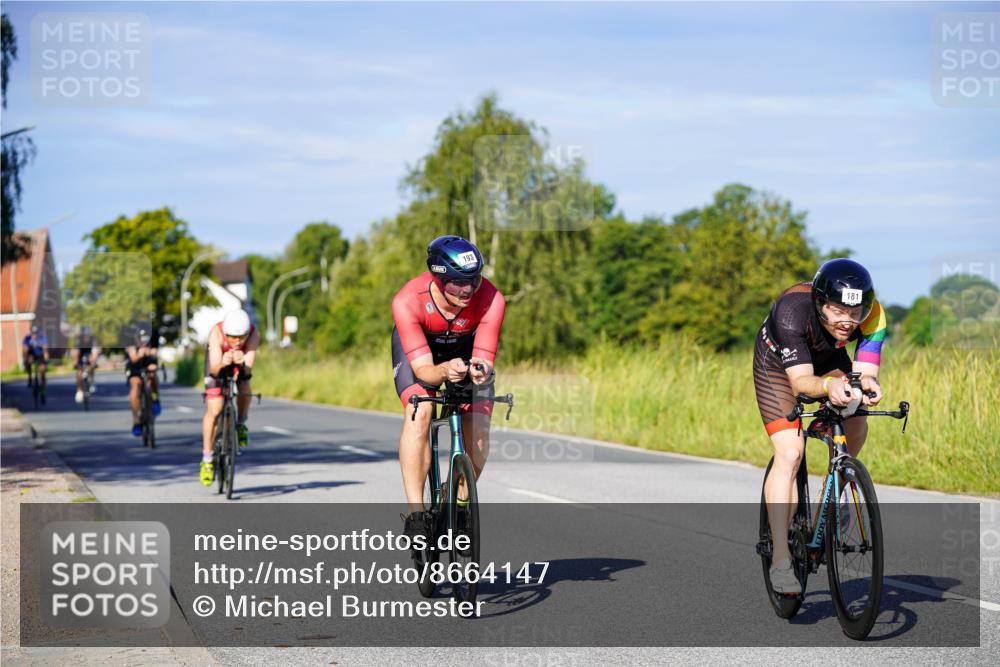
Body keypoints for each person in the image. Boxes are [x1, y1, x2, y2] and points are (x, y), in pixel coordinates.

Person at [753, 258, 887, 594]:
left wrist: (867, 384)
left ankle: (833, 495)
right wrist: (828, 388)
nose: (848, 321)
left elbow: (866, 368)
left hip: (828, 360)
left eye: (855, 314)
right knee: (791, 451)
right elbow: (800, 383)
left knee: (855, 421)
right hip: (779, 365)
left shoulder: (874, 315)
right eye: (839, 311)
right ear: (819, 302)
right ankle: (781, 558)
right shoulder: (791, 312)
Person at [392, 235, 505, 539]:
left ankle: (460, 501)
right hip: (422, 357)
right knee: (421, 411)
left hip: (466, 355)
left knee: (479, 430)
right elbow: (424, 371)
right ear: (438, 278)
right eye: (457, 282)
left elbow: (484, 358)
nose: (468, 289)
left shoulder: (492, 299)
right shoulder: (407, 301)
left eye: (473, 280)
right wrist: (443, 370)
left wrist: (480, 372)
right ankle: (416, 515)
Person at [199, 309, 260, 486]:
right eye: (233, 337)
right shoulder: (216, 333)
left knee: (244, 385)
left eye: (242, 337)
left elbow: (247, 372)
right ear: (226, 333)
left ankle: (240, 423)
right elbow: (214, 371)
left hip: (238, 365)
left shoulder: (254, 335)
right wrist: (224, 362)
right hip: (217, 363)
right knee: (215, 408)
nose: (238, 341)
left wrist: (241, 363)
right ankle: (207, 459)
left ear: (248, 333)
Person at [125, 327, 160, 436]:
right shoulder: (129, 332)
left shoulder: (153, 331)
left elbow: (155, 351)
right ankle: (136, 421)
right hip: (135, 364)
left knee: (152, 374)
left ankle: (155, 397)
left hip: (149, 360)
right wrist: (140, 353)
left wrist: (151, 353)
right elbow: (133, 357)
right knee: (135, 383)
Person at [72, 326, 101, 404]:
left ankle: (91, 381)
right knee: (79, 373)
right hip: (81, 354)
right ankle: (79, 391)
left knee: (92, 366)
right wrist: (75, 363)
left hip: (89, 353)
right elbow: (75, 353)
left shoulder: (93, 340)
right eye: (84, 336)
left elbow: (95, 352)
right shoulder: (78, 341)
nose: (86, 338)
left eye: (87, 336)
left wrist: (93, 361)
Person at [22, 325, 49, 402]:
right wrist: (25, 359)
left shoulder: (42, 337)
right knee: (28, 357)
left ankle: (43, 392)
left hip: (40, 355)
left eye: (36, 333)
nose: (34, 335)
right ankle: (30, 376)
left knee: (43, 371)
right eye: (33, 333)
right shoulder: (27, 338)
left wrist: (46, 360)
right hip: (31, 355)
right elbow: (24, 349)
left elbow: (45, 350)